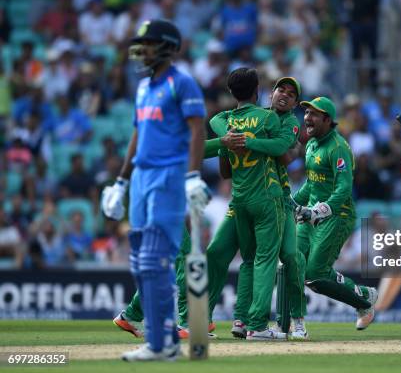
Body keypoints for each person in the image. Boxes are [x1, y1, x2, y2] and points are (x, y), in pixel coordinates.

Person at [100, 19, 210, 362]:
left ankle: (164, 344)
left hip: (169, 175)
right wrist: (121, 181)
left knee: (155, 258)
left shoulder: (183, 83)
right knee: (139, 261)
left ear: (166, 46)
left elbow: (197, 131)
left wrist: (192, 176)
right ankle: (159, 341)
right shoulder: (144, 87)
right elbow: (137, 135)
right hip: (142, 179)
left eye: (148, 43)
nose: (142, 50)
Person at [205, 76, 308, 339]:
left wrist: (243, 140)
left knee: (289, 256)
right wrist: (226, 145)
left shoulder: (290, 123)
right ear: (268, 93)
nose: (284, 95)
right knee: (218, 251)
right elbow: (225, 171)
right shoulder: (253, 117)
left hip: (278, 199)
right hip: (244, 197)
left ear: (295, 102)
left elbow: (285, 155)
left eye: (291, 94)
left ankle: (296, 319)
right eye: (280, 90)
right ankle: (216, 319)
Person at [293, 96, 378, 331]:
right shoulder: (311, 145)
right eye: (306, 113)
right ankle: (295, 324)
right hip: (309, 217)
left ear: (328, 120)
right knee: (293, 263)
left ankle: (363, 301)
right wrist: (291, 202)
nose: (307, 118)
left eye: (313, 114)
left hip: (337, 216)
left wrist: (320, 210)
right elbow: (311, 185)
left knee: (315, 274)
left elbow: (343, 188)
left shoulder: (338, 147)